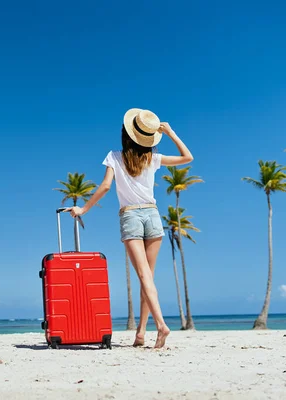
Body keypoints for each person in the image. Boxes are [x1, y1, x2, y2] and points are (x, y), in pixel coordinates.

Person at [69, 108, 193, 349]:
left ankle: (160, 325)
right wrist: (171, 133)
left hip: (131, 216)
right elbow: (188, 158)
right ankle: (140, 333)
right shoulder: (153, 158)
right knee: (149, 278)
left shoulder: (114, 157)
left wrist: (83, 210)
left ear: (127, 134)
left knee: (144, 277)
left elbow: (105, 186)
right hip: (153, 215)